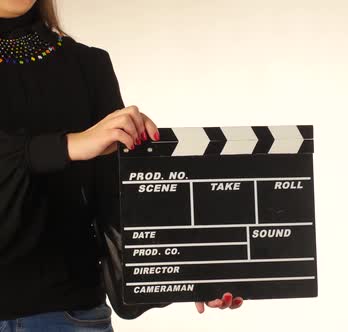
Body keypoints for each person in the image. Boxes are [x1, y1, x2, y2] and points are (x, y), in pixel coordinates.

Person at [0, 1, 243, 331]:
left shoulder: (87, 64)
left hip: (67, 315)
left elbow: (118, 206)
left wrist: (188, 270)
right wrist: (70, 145)